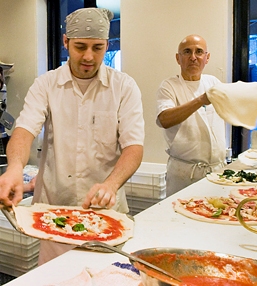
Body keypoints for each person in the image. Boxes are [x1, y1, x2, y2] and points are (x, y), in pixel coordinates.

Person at [0, 8, 144, 264]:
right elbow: (24, 131)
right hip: (55, 210)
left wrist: (111, 185)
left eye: (97, 48)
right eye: (80, 47)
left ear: (107, 45)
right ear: (65, 41)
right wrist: (14, 168)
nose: (89, 56)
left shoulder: (124, 87)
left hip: (106, 213)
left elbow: (133, 147)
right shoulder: (46, 84)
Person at [156, 34, 226, 196]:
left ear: (207, 57)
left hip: (216, 171)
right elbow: (164, 119)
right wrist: (201, 100)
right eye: (187, 52)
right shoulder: (169, 86)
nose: (193, 57)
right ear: (178, 58)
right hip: (184, 173)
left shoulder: (214, 83)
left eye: (199, 52)